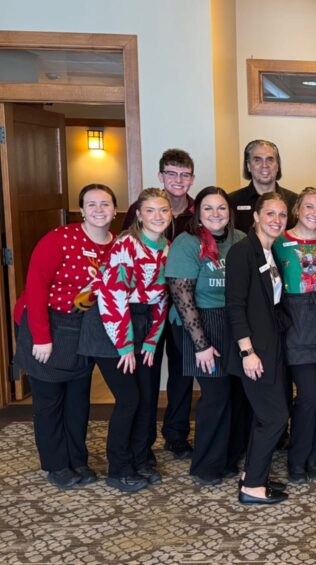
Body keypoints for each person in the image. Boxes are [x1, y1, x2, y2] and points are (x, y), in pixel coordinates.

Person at [12, 184, 117, 489]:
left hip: (83, 329)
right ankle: (57, 464)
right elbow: (36, 286)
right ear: (81, 210)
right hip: (47, 323)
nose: (99, 209)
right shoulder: (60, 239)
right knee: (50, 400)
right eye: (92, 204)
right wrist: (42, 337)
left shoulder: (116, 245)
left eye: (105, 204)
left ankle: (77, 458)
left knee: (77, 400)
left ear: (114, 209)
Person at [79, 188, 172, 493]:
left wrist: (150, 342)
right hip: (112, 324)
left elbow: (162, 299)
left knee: (146, 397)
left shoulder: (167, 248)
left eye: (163, 210)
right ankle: (118, 468)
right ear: (139, 215)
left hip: (143, 326)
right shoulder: (126, 245)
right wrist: (125, 345)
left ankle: (140, 457)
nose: (157, 216)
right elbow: (113, 296)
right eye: (150, 211)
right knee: (129, 399)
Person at [164, 186, 246, 486]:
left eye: (221, 208)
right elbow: (181, 296)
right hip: (198, 323)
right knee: (216, 396)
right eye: (208, 208)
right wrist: (201, 346)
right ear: (198, 213)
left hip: (233, 323)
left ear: (230, 212)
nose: (215, 214)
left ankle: (229, 457)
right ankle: (206, 465)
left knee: (237, 395)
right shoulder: (187, 243)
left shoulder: (240, 240)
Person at [122, 149, 197, 462]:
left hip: (183, 308)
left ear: (191, 178)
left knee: (182, 372)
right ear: (161, 176)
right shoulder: (141, 210)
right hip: (146, 308)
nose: (177, 180)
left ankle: (176, 434)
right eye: (171, 174)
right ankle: (144, 441)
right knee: (147, 376)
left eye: (184, 174)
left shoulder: (199, 212)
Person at [225, 192, 292, 505]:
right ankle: (252, 487)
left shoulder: (270, 251)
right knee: (275, 417)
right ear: (255, 216)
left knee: (265, 416)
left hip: (271, 345)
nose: (277, 220)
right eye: (270, 214)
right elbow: (235, 306)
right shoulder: (242, 252)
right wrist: (247, 353)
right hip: (254, 351)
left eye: (282, 215)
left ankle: (253, 476)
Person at [272, 187, 316, 484]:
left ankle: (314, 457)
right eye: (309, 207)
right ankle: (297, 459)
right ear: (297, 208)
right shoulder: (279, 242)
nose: (315, 213)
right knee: (307, 395)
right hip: (296, 325)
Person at [229, 139, 299, 232]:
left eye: (270, 160)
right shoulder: (231, 201)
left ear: (277, 165)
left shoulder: (295, 201)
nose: (264, 165)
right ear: (248, 166)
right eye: (257, 160)